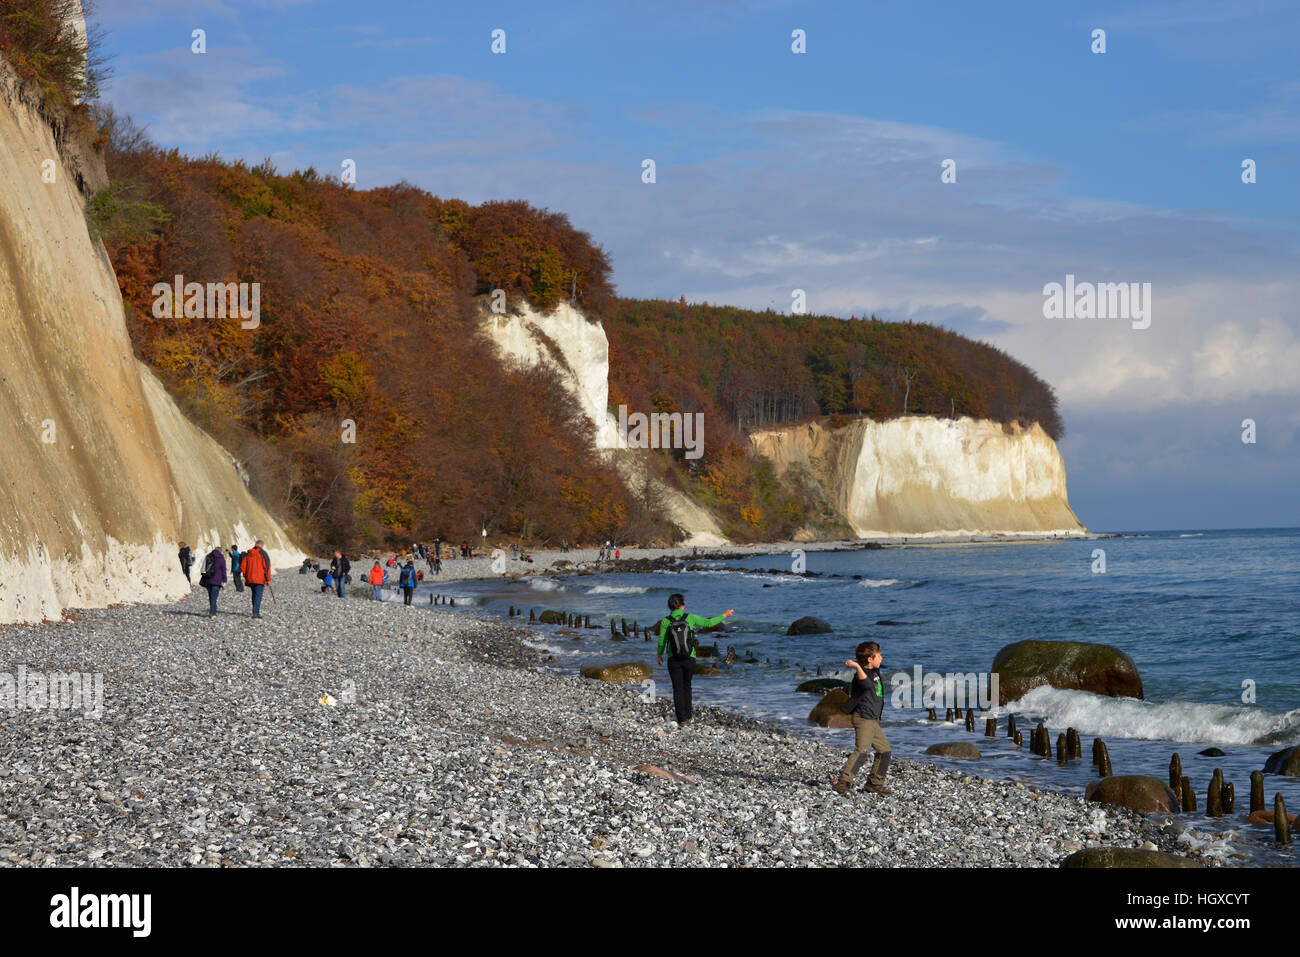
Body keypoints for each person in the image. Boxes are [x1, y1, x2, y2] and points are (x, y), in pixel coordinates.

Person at [656, 593, 734, 728]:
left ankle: (681, 719)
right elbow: (708, 623)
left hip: (673, 659)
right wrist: (724, 615)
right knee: (687, 686)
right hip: (689, 657)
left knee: (677, 688)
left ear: (669, 607)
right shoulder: (690, 618)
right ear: (682, 605)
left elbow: (662, 641)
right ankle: (688, 716)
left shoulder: (665, 621)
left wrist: (659, 655)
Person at [833, 641, 892, 796]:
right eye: (879, 656)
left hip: (871, 719)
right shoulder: (860, 677)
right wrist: (857, 666)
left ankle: (874, 783)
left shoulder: (874, 672)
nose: (882, 658)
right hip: (863, 718)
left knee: (884, 750)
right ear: (869, 660)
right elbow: (865, 684)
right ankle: (843, 783)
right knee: (862, 751)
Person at [242, 539, 271, 619]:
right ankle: (256, 612)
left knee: (254, 594)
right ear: (261, 545)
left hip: (250, 578)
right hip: (260, 579)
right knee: (258, 595)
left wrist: (246, 575)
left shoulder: (248, 553)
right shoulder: (263, 553)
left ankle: (255, 610)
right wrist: (268, 579)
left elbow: (243, 566)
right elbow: (267, 567)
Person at [198, 545, 227, 617]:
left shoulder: (208, 556)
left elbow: (203, 568)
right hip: (217, 581)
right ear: (220, 551)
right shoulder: (221, 558)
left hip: (208, 579)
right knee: (214, 597)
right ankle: (212, 613)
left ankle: (213, 610)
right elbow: (223, 570)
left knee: (211, 596)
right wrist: (224, 580)